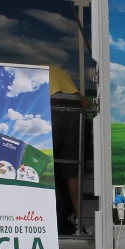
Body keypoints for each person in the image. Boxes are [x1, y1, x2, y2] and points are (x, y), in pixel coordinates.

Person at [50, 65, 88, 235]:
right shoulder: (61, 72)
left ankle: (43, 219)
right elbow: (86, 104)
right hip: (75, 106)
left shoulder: (32, 71)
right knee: (73, 170)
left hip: (51, 103)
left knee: (42, 162)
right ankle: (80, 222)